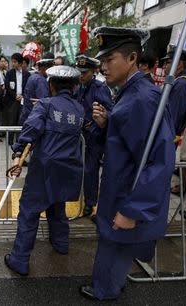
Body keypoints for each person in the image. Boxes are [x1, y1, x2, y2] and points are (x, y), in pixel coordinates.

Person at [79, 27, 176, 301]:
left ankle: (105, 290)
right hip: (120, 187)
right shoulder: (130, 92)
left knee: (115, 244)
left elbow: (158, 160)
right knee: (115, 244)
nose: (103, 67)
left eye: (110, 59)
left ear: (132, 57)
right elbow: (130, 141)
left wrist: (133, 209)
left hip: (126, 193)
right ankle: (109, 285)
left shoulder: (142, 99)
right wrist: (107, 123)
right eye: (102, 61)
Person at [4, 65, 84, 276]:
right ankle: (61, 244)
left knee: (29, 211)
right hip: (68, 168)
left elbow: (30, 130)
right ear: (74, 88)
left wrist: (17, 154)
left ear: (50, 86)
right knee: (57, 206)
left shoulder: (45, 105)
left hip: (45, 168)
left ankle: (20, 260)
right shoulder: (79, 109)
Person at [75, 54, 113, 217]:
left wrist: (95, 123)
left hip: (94, 136)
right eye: (80, 71)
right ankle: (82, 197)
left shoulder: (100, 87)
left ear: (93, 71)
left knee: (91, 171)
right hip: (80, 135)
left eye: (85, 72)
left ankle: (90, 203)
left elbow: (109, 111)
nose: (82, 75)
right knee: (81, 169)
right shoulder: (80, 86)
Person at [162, 45, 186, 140]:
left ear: (179, 64)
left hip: (167, 138)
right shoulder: (179, 82)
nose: (164, 66)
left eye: (167, 62)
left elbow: (172, 119)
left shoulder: (181, 85)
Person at [3, 53, 31, 145]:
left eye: (15, 62)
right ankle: (10, 141)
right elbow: (7, 86)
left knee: (21, 121)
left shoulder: (27, 74)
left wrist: (22, 96)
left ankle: (19, 141)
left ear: (20, 63)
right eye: (12, 62)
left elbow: (28, 87)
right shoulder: (10, 73)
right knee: (11, 121)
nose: (13, 64)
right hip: (12, 100)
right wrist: (15, 96)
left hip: (23, 100)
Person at [20, 53, 54, 125]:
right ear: (44, 68)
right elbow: (44, 101)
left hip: (28, 115)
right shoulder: (40, 80)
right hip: (35, 118)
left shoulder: (33, 77)